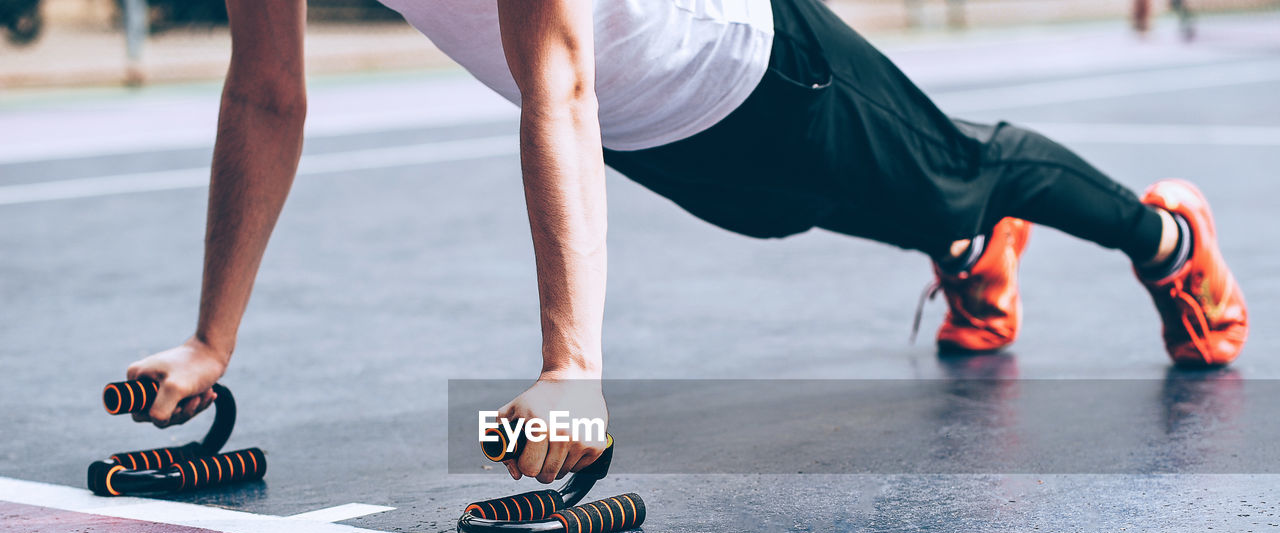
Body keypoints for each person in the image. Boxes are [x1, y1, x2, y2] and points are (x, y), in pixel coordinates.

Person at [127, 0, 1248, 485]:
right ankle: (966, 246)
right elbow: (266, 93)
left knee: (958, 173)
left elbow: (554, 78)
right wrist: (209, 340)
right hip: (653, 136)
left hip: (759, 68)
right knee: (792, 213)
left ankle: (1163, 236)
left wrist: (571, 370)